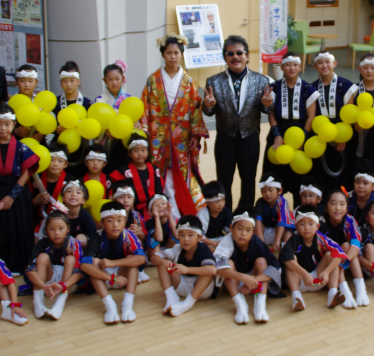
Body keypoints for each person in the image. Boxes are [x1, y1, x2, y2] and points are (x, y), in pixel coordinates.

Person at [203, 35, 274, 213]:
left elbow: (266, 110)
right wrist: (208, 106)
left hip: (250, 137)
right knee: (224, 180)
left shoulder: (262, 81)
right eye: (230, 53)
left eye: (239, 53)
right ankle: (225, 216)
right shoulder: (213, 82)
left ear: (247, 56)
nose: (235, 56)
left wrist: (267, 105)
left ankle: (245, 214)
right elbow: (209, 112)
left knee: (248, 180)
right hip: (225, 138)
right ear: (225, 57)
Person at [141, 35, 208, 218]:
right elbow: (145, 106)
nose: (172, 56)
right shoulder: (153, 80)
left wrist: (195, 135)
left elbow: (195, 107)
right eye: (168, 52)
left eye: (176, 53)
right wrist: (144, 131)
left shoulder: (187, 81)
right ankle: (163, 210)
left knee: (183, 172)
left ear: (181, 54)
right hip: (158, 134)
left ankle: (185, 211)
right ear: (163, 54)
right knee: (160, 172)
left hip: (182, 136)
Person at [0, 104, 40, 274]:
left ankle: (17, 265)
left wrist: (12, 197)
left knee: (17, 228)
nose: (3, 128)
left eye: (7, 124)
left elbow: (26, 172)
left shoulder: (21, 147)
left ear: (13, 125)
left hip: (16, 193)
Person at [264, 52, 318, 204]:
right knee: (275, 175)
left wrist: (303, 139)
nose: (292, 68)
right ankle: (275, 213)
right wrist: (276, 134)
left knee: (299, 179)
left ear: (300, 67)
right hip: (279, 131)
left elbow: (311, 116)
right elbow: (271, 113)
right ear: (281, 67)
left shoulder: (308, 89)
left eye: (295, 65)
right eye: (288, 65)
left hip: (300, 133)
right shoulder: (273, 88)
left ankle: (299, 213)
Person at [80, 201, 146, 324]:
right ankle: (109, 306)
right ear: (101, 224)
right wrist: (111, 278)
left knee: (133, 260)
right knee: (93, 262)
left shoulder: (128, 235)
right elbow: (84, 265)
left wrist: (113, 263)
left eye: (119, 220)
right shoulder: (97, 237)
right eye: (110, 221)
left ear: (125, 222)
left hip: (122, 276)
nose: (115, 225)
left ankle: (127, 305)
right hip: (103, 278)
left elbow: (141, 258)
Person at [215, 213, 283, 324]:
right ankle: (240, 305)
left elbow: (275, 266)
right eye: (239, 229)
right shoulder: (227, 241)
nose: (243, 234)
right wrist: (244, 278)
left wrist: (253, 279)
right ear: (231, 228)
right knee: (227, 264)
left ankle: (260, 306)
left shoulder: (256, 242)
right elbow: (218, 268)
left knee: (261, 262)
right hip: (235, 281)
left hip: (254, 282)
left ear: (253, 232)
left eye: (248, 230)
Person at [280, 205, 348, 311]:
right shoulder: (293, 240)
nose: (306, 228)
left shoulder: (321, 238)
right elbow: (287, 260)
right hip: (300, 281)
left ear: (317, 226)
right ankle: (297, 298)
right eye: (302, 224)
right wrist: (304, 274)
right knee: (290, 259)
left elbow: (339, 253)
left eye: (311, 224)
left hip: (318, 279)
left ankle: (332, 294)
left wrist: (326, 272)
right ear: (296, 226)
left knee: (330, 255)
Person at [151, 215, 217, 317]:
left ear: (199, 237)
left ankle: (187, 304)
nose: (186, 239)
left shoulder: (203, 249)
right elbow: (154, 258)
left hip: (201, 291)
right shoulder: (177, 248)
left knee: (207, 273)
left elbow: (212, 270)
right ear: (178, 236)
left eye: (190, 235)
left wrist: (187, 269)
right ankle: (171, 298)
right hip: (180, 288)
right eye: (182, 235)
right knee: (162, 263)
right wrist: (164, 261)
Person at [311, 51, 359, 187]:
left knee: (341, 174)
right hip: (321, 135)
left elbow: (349, 115)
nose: (324, 66)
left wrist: (343, 139)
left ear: (334, 64)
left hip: (342, 135)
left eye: (328, 62)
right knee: (322, 172)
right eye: (320, 63)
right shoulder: (312, 88)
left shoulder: (346, 85)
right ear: (315, 66)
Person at [26, 211, 84, 320]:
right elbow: (30, 270)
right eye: (52, 229)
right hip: (47, 283)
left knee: (70, 259)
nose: (56, 233)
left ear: (68, 228)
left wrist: (63, 286)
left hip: (68, 283)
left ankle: (59, 303)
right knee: (42, 257)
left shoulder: (74, 244)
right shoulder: (42, 243)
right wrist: (43, 286)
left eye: (61, 228)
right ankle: (38, 302)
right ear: (46, 230)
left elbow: (79, 273)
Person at [318, 188, 364, 307]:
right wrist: (337, 261)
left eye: (342, 204)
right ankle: (344, 289)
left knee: (347, 246)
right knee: (336, 252)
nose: (338, 208)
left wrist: (342, 261)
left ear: (347, 208)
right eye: (333, 204)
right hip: (327, 262)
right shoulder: (320, 222)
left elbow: (356, 245)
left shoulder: (350, 220)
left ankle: (361, 287)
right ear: (326, 208)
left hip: (343, 262)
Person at [110, 133, 163, 222]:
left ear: (148, 152)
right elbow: (114, 193)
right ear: (129, 153)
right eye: (136, 151)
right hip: (131, 211)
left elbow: (159, 190)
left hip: (154, 211)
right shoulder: (123, 171)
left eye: (143, 150)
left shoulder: (154, 169)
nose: (140, 154)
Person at [253, 173, 295, 253]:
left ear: (280, 191)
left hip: (278, 232)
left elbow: (282, 221)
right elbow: (258, 220)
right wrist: (261, 241)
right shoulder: (260, 202)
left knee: (288, 232)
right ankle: (257, 251)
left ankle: (286, 253)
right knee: (252, 228)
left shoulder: (282, 202)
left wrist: (277, 241)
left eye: (270, 190)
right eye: (263, 191)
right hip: (264, 232)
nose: (267, 193)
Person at [197, 181, 232, 252]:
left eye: (223, 200)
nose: (221, 204)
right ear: (207, 203)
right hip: (206, 241)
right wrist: (214, 243)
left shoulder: (225, 211)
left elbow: (228, 229)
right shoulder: (202, 214)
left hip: (219, 239)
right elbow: (199, 235)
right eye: (217, 201)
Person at [62, 180, 96, 249]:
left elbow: (93, 237)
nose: (73, 194)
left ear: (83, 200)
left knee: (81, 238)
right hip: (60, 245)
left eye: (78, 192)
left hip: (80, 249)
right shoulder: (58, 215)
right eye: (69, 191)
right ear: (63, 198)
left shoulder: (86, 216)